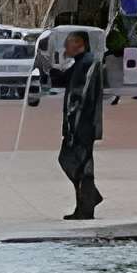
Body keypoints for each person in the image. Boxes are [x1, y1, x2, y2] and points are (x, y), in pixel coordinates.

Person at [47, 29, 104, 221]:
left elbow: (81, 99)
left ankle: (87, 204)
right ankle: (88, 200)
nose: (64, 47)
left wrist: (74, 127)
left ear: (79, 43)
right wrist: (47, 66)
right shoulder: (80, 63)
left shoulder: (88, 63)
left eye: (68, 43)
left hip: (82, 125)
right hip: (78, 125)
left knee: (77, 163)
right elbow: (63, 80)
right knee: (76, 163)